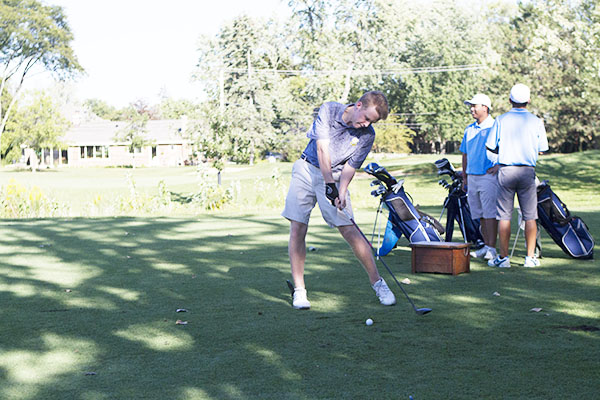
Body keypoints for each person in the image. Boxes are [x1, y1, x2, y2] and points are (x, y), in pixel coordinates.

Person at [281, 91, 396, 309]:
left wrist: (341, 190)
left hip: (335, 176)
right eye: (367, 118)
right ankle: (300, 291)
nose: (366, 124)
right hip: (307, 169)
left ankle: (378, 284)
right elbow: (322, 149)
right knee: (298, 227)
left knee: (349, 229)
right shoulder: (329, 109)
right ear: (359, 105)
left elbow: (350, 166)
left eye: (372, 122)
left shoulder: (367, 135)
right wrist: (330, 185)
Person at [485, 83, 549, 268]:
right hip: (527, 171)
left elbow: (490, 145)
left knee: (504, 216)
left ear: (509, 100)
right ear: (528, 100)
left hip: (506, 170)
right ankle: (530, 258)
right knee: (530, 216)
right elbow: (542, 149)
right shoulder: (536, 121)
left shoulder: (501, 120)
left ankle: (504, 258)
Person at [460, 93, 498, 260]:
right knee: (480, 214)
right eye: (471, 106)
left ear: (485, 107)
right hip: (472, 176)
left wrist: (499, 165)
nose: (472, 109)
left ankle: (492, 248)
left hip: (488, 176)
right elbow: (465, 154)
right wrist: (465, 177)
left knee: (490, 214)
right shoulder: (469, 129)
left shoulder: (495, 126)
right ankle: (486, 245)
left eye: (475, 106)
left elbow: (505, 148)